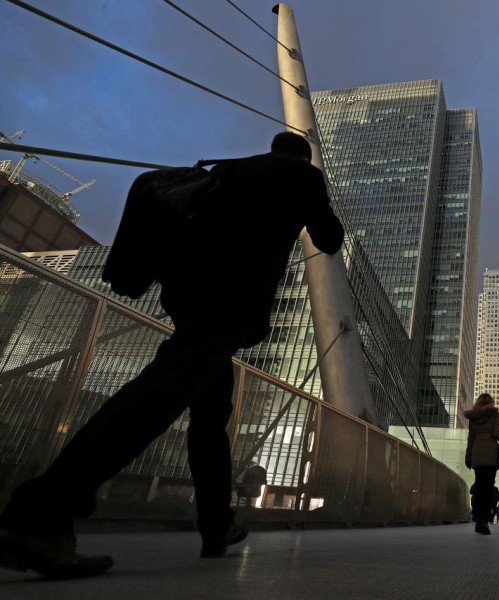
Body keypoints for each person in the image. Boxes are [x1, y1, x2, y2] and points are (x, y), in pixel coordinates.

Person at [0, 132, 345, 579]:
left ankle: (216, 523)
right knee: (161, 394)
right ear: (302, 154)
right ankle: (41, 513)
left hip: (189, 294)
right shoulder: (302, 174)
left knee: (209, 415)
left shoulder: (227, 167)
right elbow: (329, 237)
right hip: (233, 299)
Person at [464, 392, 499, 535]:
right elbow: (498, 434)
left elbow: (470, 439)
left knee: (480, 486)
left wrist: (468, 457)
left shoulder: (473, 417)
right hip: (490, 454)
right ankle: (484, 522)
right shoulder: (494, 414)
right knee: (488, 488)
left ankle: (478, 518)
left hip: (477, 454)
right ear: (490, 402)